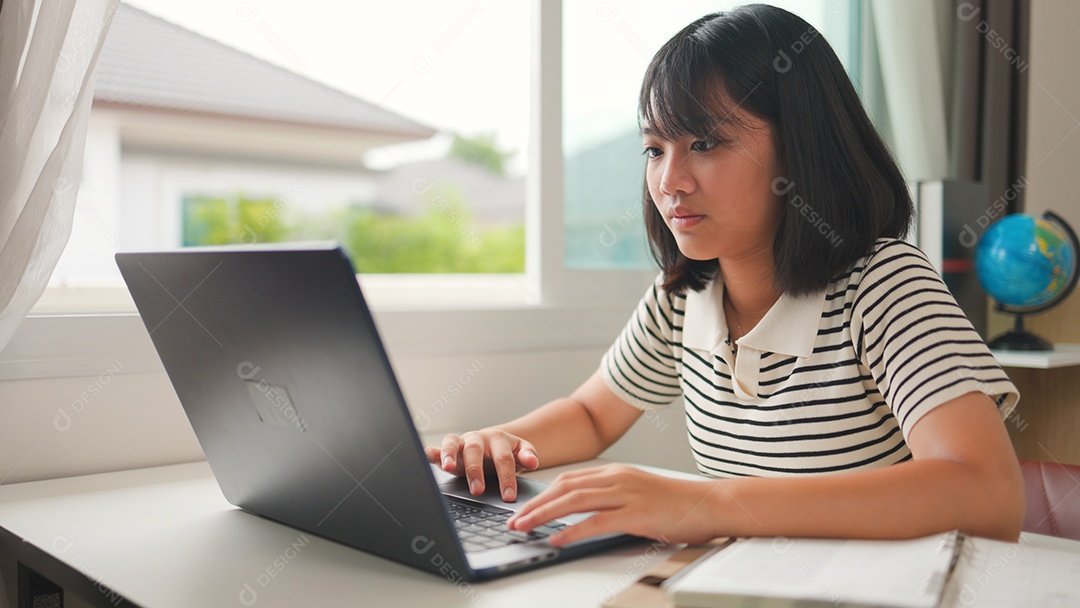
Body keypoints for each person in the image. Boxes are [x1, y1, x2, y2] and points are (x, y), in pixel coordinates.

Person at [425, 4, 1024, 546]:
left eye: (706, 143)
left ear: (801, 149)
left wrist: (704, 503)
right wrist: (500, 443)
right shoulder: (684, 294)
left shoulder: (882, 283)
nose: (669, 181)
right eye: (655, 149)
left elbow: (986, 495)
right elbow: (591, 416)